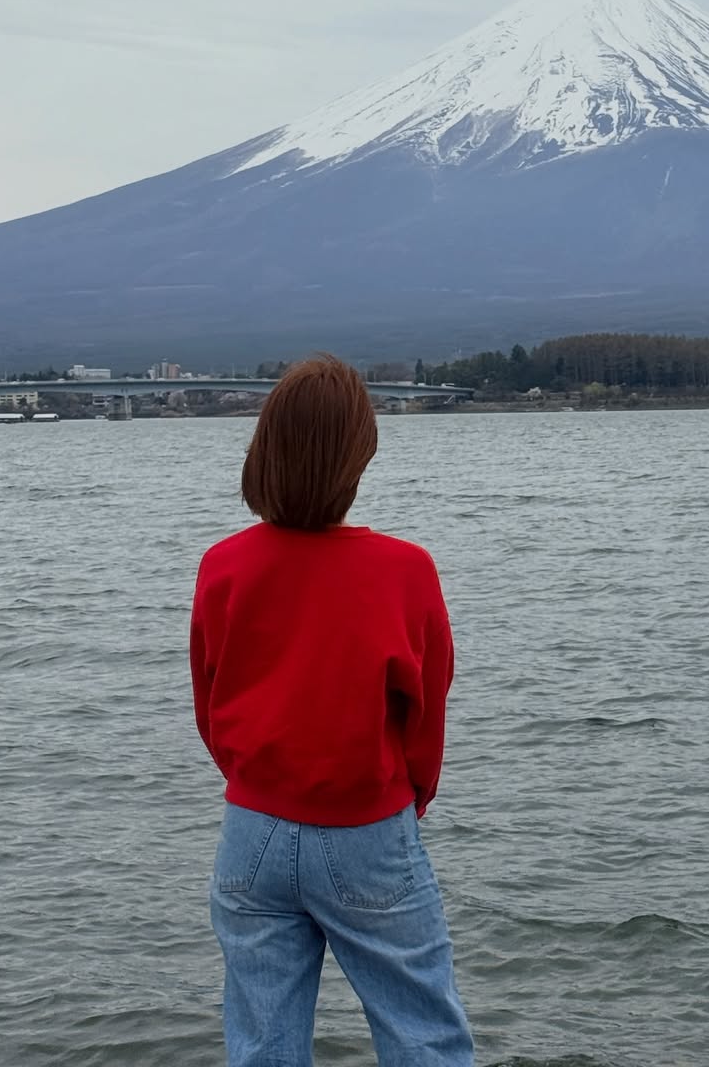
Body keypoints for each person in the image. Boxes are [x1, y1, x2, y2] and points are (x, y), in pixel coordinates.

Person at [189, 355, 474, 1067]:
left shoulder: (223, 565)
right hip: (366, 827)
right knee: (422, 1034)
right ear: (360, 456)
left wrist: (258, 779)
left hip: (249, 829)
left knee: (262, 1044)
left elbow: (211, 699)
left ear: (265, 449)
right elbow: (426, 714)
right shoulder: (406, 570)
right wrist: (408, 800)